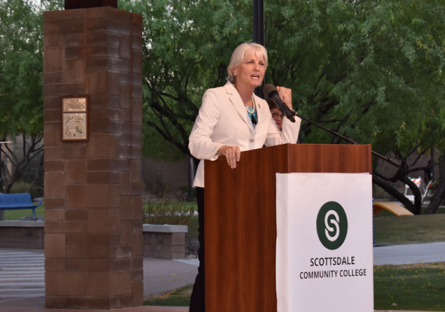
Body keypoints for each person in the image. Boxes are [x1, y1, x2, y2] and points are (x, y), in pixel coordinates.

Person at [188, 42, 301, 312]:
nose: (257, 68)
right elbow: (195, 142)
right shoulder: (215, 97)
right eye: (251, 62)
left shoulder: (262, 107)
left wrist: (288, 111)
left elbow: (281, 149)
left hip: (251, 191)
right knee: (214, 261)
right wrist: (221, 148)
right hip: (218, 189)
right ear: (235, 69)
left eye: (261, 63)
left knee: (247, 259)